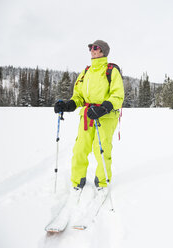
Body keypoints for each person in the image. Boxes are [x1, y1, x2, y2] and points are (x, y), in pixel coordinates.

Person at [54, 40, 124, 196]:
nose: (92, 50)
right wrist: (67, 105)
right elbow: (78, 96)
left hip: (105, 116)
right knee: (80, 148)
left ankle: (102, 181)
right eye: (90, 48)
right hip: (87, 116)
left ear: (103, 51)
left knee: (102, 150)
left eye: (95, 48)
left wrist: (104, 108)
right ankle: (77, 180)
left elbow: (118, 95)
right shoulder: (86, 72)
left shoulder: (111, 71)